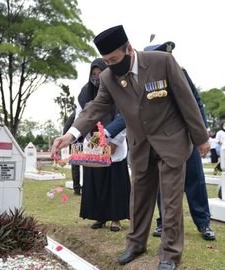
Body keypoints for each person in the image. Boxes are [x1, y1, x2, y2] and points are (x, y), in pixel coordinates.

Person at [51, 26, 210, 270]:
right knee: (139, 199)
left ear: (128, 49)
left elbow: (186, 100)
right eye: (106, 61)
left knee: (170, 201)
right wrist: (71, 134)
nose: (111, 66)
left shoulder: (163, 62)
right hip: (140, 145)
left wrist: (201, 138)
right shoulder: (108, 78)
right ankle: (135, 245)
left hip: (171, 141)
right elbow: (95, 108)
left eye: (114, 59)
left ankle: (169, 255)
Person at [104, 41, 215, 241]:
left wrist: (201, 136)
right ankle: (163, 222)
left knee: (195, 181)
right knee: (164, 187)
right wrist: (106, 133)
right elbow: (131, 114)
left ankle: (203, 223)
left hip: (186, 137)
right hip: (160, 143)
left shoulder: (179, 72)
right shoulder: (137, 80)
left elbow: (194, 102)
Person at [76, 58, 131, 232]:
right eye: (93, 75)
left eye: (100, 74)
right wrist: (86, 138)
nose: (97, 78)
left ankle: (116, 219)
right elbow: (82, 116)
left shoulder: (118, 88)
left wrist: (115, 141)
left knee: (114, 182)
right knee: (96, 181)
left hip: (114, 142)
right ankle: (99, 216)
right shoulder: (85, 93)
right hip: (93, 143)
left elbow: (125, 116)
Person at [62, 111, 82, 195]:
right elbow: (68, 125)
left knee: (89, 164)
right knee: (76, 165)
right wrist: (65, 139)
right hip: (77, 142)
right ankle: (77, 188)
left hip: (87, 141)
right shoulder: (76, 113)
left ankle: (78, 187)